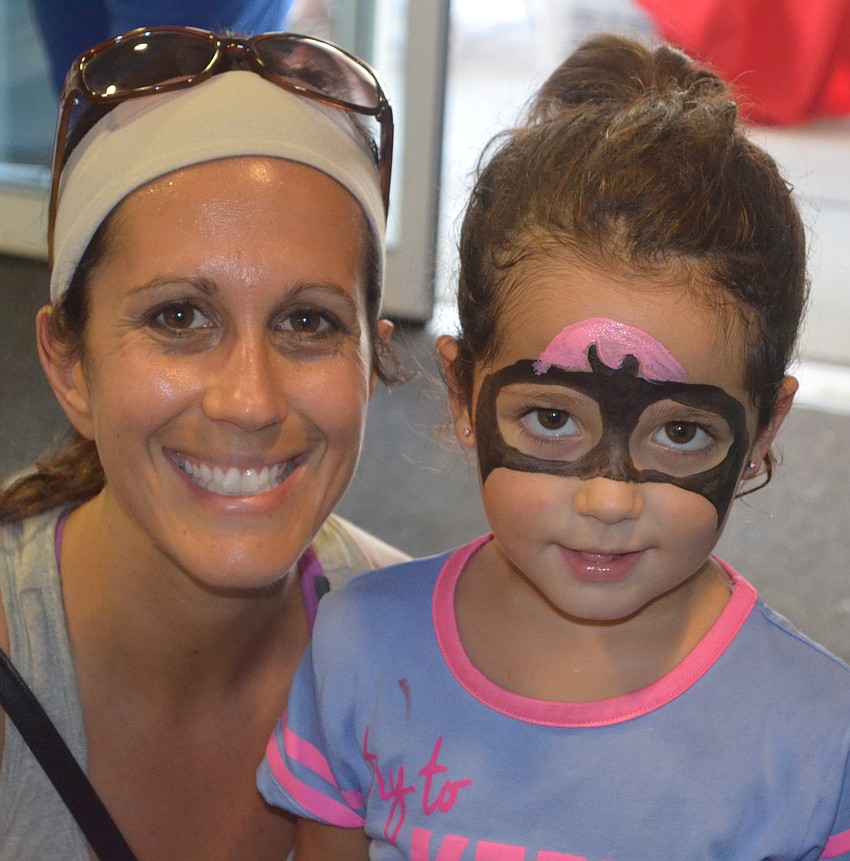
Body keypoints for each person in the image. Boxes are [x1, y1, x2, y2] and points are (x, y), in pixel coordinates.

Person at [258, 33, 850, 859]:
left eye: (681, 433)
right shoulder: (357, 655)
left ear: (765, 430)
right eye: (551, 418)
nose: (608, 499)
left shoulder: (819, 744)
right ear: (465, 392)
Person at [0, 26, 406, 861]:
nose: (250, 401)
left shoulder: (427, 661)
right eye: (178, 316)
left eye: (308, 321)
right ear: (69, 364)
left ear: (373, 362)